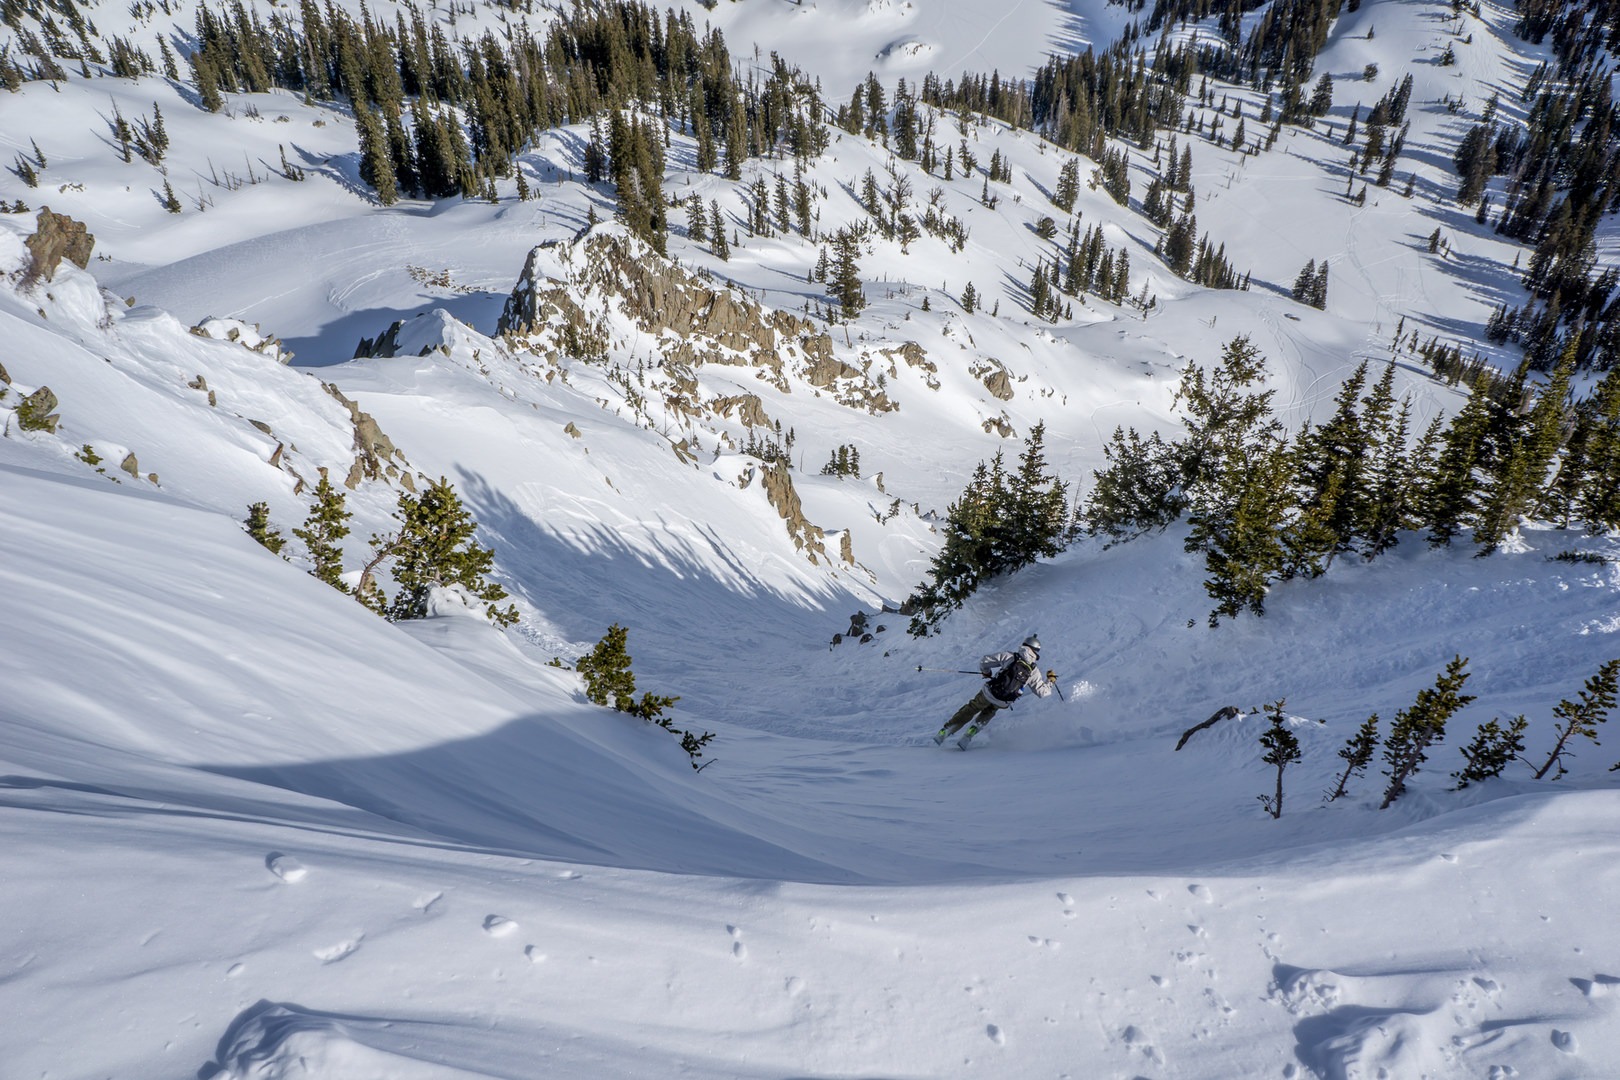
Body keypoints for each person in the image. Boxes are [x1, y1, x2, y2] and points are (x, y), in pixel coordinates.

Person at [935, 633, 1059, 749]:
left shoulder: (1010, 656)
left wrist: (987, 672)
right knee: (989, 712)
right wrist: (1051, 681)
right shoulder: (1034, 671)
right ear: (1036, 651)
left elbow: (985, 661)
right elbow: (1043, 693)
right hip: (1003, 701)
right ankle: (969, 735)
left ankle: (945, 731)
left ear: (1024, 645)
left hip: (990, 692)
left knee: (972, 708)